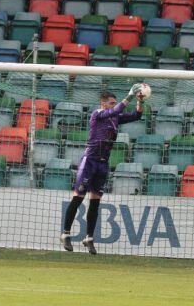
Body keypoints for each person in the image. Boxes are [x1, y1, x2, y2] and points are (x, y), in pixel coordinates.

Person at [61, 85, 144, 254]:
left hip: (103, 163)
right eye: (111, 103)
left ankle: (89, 238)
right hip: (89, 162)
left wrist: (139, 102)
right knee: (78, 198)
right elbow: (115, 111)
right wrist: (129, 96)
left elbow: (137, 115)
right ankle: (66, 233)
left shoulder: (114, 118)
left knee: (95, 201)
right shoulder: (97, 114)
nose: (114, 106)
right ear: (103, 103)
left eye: (115, 103)